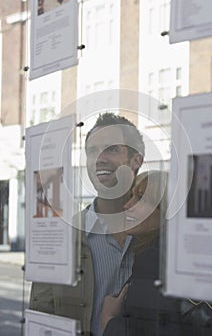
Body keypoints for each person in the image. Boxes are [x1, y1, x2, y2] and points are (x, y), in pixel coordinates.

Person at [29, 112, 145, 336]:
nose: (100, 158)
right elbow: (41, 320)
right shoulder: (59, 240)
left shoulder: (163, 234)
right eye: (92, 151)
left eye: (111, 149)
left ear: (136, 159)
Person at [101, 170, 212, 336]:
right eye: (131, 196)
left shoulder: (154, 261)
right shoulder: (180, 258)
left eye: (141, 198)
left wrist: (109, 321)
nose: (127, 205)